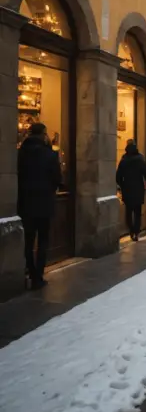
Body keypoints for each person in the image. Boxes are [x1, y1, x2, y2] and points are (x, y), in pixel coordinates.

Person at [17, 123, 61, 289]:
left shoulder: (21, 153)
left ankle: (30, 270)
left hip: (25, 203)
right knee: (43, 240)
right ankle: (38, 276)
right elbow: (57, 178)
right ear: (44, 134)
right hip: (44, 203)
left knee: (28, 241)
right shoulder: (49, 155)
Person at [116, 140, 146, 241]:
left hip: (127, 189)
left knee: (128, 211)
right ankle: (136, 232)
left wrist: (122, 185)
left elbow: (118, 176)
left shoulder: (124, 160)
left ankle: (131, 230)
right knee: (137, 212)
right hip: (138, 189)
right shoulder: (140, 159)